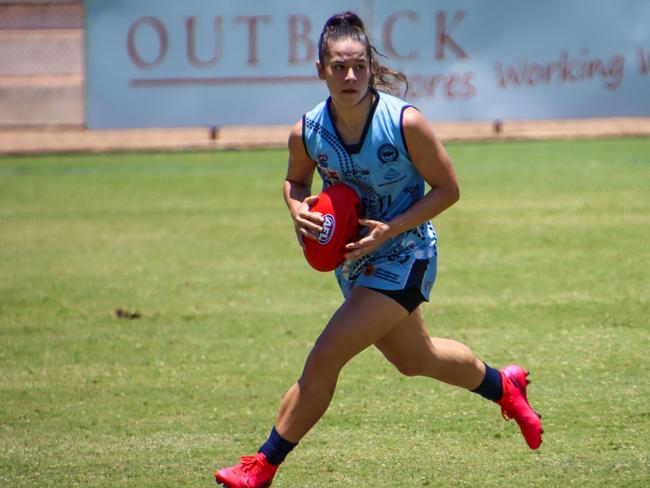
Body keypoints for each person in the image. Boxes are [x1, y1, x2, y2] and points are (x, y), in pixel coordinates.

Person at [215, 11, 543, 488]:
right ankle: (503, 385)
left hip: (406, 255)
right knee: (417, 359)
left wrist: (388, 230)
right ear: (320, 70)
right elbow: (294, 180)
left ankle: (262, 465)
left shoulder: (404, 123)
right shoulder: (307, 130)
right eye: (338, 67)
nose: (349, 77)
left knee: (325, 355)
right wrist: (295, 208)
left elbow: (447, 189)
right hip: (355, 264)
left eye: (358, 67)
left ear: (371, 67)